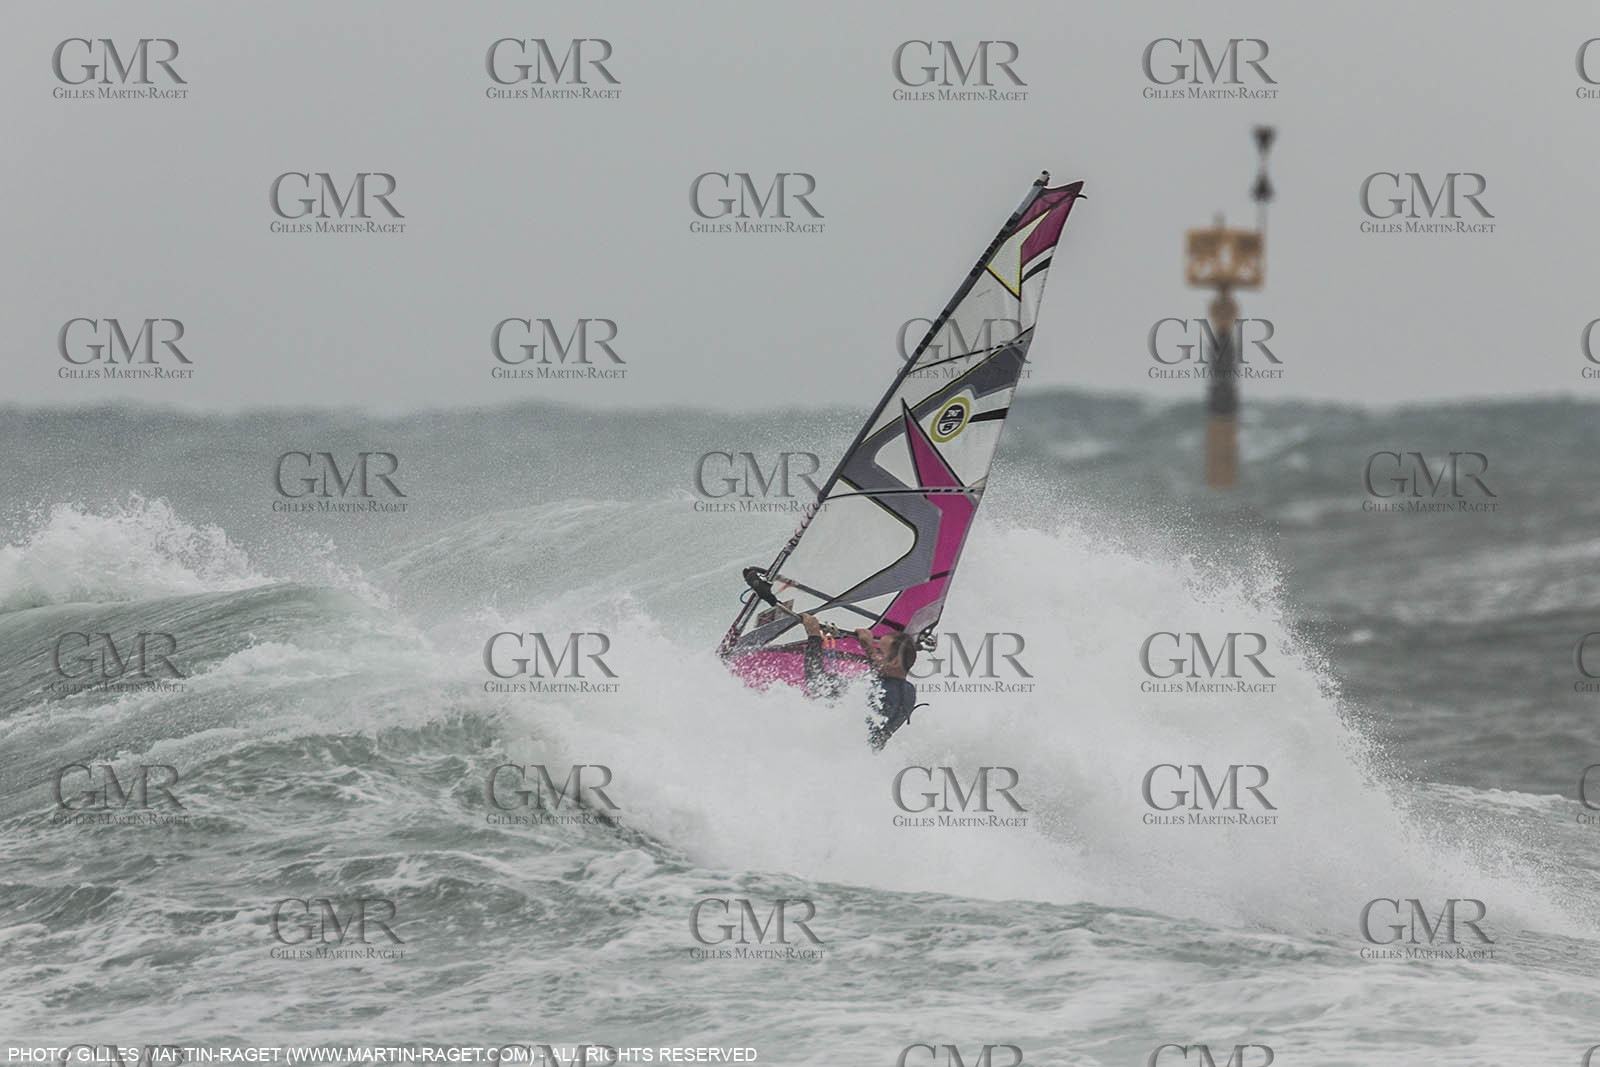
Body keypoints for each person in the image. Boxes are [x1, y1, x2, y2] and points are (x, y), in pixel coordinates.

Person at [798, 613, 921, 750]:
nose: (874, 652)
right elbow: (884, 672)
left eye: (879, 651)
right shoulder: (908, 691)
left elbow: (816, 684)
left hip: (836, 752)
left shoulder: (873, 690)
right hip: (862, 757)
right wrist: (868, 648)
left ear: (895, 661)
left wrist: (814, 636)